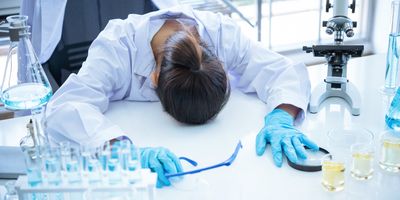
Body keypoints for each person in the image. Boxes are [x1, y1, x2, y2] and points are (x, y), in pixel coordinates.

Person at [44, 5, 319, 188]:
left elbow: (280, 70)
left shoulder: (221, 32)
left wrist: (282, 116)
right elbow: (65, 107)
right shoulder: (117, 46)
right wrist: (120, 151)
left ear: (221, 63)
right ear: (154, 79)